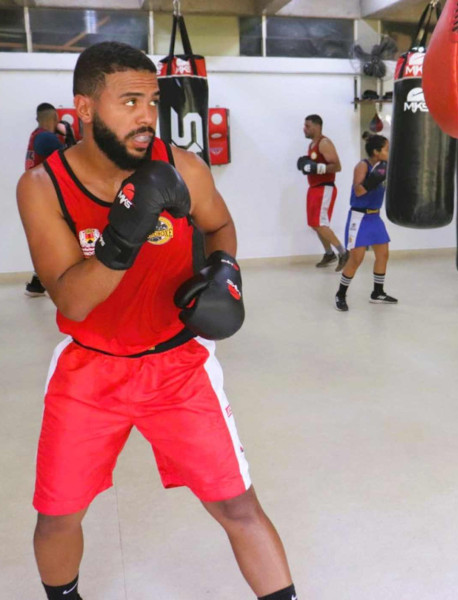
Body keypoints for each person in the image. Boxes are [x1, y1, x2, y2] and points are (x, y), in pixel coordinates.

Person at [16, 42, 296, 600]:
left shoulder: (182, 166)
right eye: (129, 101)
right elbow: (71, 300)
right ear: (86, 108)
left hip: (178, 366)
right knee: (57, 516)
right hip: (91, 372)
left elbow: (220, 227)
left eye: (152, 99)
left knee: (239, 506)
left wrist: (224, 272)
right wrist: (126, 232)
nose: (147, 115)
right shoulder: (43, 188)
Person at [335, 135, 397, 311]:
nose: (389, 152)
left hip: (374, 217)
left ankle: (377, 292)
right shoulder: (363, 166)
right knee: (356, 258)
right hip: (359, 217)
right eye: (386, 149)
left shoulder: (385, 167)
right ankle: (340, 294)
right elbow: (359, 190)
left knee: (383, 254)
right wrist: (374, 178)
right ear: (376, 152)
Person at [23, 103, 68, 297]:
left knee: (47, 241)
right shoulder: (46, 138)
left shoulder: (37, 136)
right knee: (58, 240)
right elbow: (70, 158)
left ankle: (37, 284)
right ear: (55, 119)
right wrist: (70, 137)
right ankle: (52, 283)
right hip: (46, 196)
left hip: (36, 195)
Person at [297, 114, 348, 270]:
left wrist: (317, 168)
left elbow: (337, 166)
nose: (304, 129)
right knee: (314, 224)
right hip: (314, 187)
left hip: (324, 187)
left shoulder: (324, 143)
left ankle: (344, 252)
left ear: (317, 127)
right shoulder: (312, 144)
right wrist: (310, 165)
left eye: (307, 126)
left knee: (320, 223)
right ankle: (329, 254)